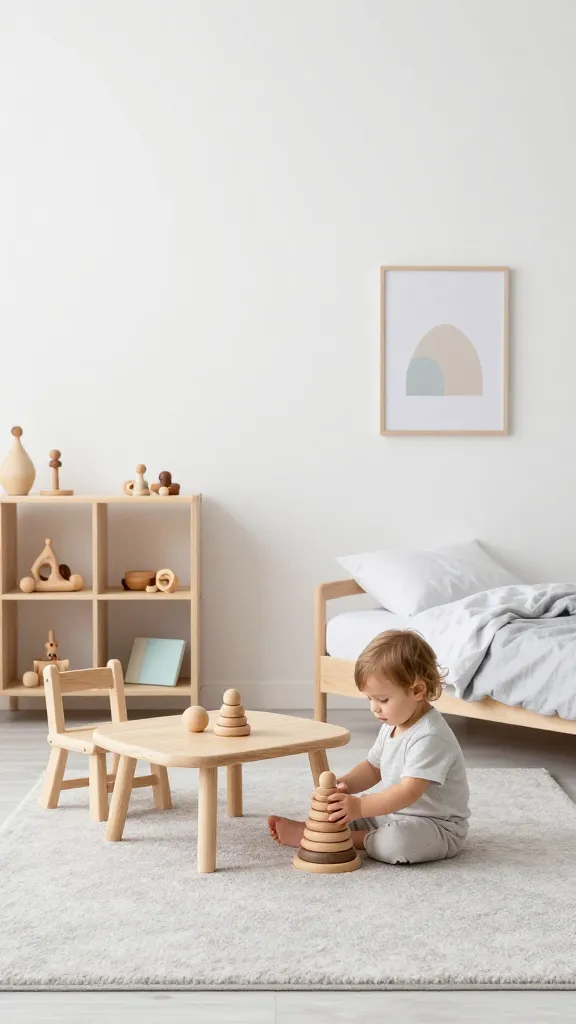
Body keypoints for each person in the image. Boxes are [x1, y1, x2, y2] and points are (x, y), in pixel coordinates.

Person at [268, 629, 470, 864]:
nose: (374, 708)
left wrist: (361, 806)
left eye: (383, 699)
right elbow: (373, 768)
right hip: (392, 813)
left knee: (395, 843)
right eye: (370, 699)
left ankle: (349, 839)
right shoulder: (393, 724)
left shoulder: (430, 737)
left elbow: (408, 792)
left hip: (435, 826)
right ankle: (319, 832)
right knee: (341, 812)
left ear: (417, 690)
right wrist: (344, 786)